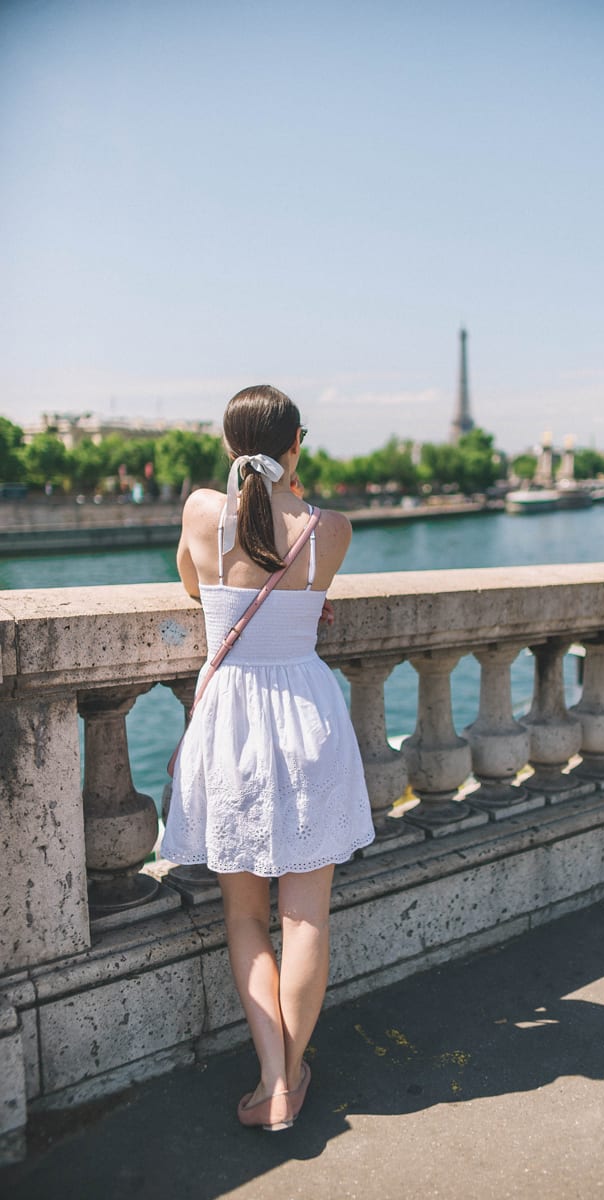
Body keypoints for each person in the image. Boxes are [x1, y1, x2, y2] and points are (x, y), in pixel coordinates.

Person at [161, 384, 375, 1131]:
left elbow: (194, 584)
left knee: (247, 916)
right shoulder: (330, 528)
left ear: (227, 447)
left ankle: (273, 1080)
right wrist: (294, 485)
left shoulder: (199, 512)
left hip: (232, 726)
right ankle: (293, 1070)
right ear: (295, 446)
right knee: (306, 918)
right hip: (308, 719)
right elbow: (307, 589)